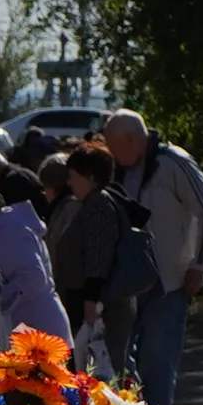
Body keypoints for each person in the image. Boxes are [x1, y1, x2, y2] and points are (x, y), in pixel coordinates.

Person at [101, 109, 203, 405]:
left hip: (168, 280)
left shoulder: (174, 163)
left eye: (115, 145)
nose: (111, 152)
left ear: (132, 139)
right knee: (118, 358)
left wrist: (200, 265)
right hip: (125, 280)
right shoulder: (114, 167)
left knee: (158, 360)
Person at [0, 157, 71, 341]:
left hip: (41, 328)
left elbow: (34, 277)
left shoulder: (8, 231)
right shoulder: (8, 227)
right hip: (32, 326)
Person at [45, 139, 127, 332]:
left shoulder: (99, 207)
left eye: (73, 176)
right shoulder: (90, 204)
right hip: (83, 299)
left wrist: (91, 300)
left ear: (90, 177)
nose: (69, 182)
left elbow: (98, 255)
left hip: (96, 305)